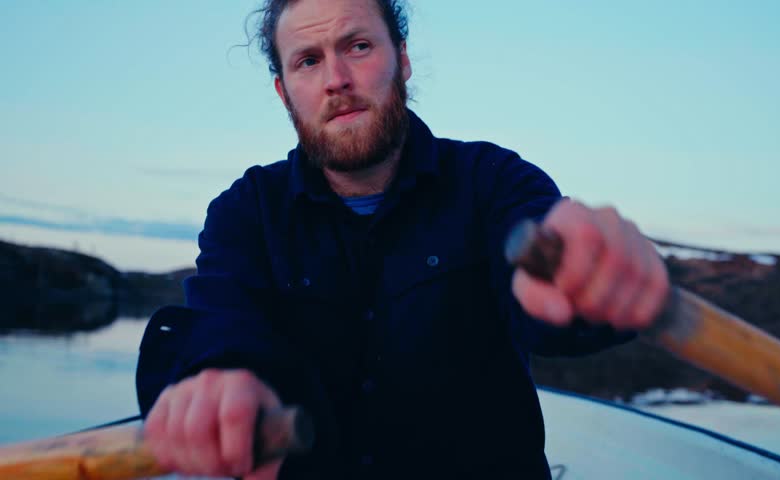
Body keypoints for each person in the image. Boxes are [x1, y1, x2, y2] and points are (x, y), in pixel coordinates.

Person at [136, 0, 670, 478]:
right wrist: (220, 376)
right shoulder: (246, 210)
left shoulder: (493, 180)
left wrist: (581, 275)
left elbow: (544, 265)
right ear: (283, 92)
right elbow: (223, 322)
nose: (336, 79)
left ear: (403, 59)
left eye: (359, 46)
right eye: (308, 61)